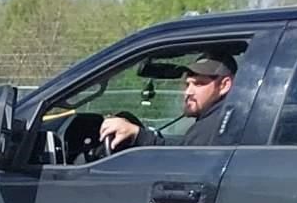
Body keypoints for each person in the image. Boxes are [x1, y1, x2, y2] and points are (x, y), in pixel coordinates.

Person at [99, 53, 235, 152]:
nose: (188, 92)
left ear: (224, 85)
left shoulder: (215, 125)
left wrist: (138, 135)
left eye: (199, 84)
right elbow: (183, 149)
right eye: (187, 85)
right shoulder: (220, 117)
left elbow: (182, 163)